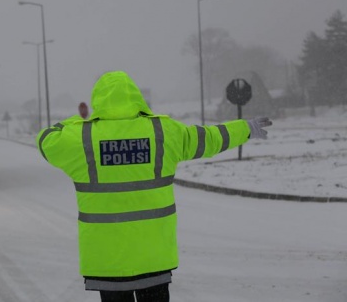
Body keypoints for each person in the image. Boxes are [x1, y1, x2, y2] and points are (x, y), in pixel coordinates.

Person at [35, 71, 272, 302]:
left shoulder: (82, 138)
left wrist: (80, 120)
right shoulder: (162, 131)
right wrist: (246, 128)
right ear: (136, 97)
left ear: (99, 100)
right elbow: (208, 138)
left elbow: (46, 139)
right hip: (154, 258)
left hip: (108, 263)